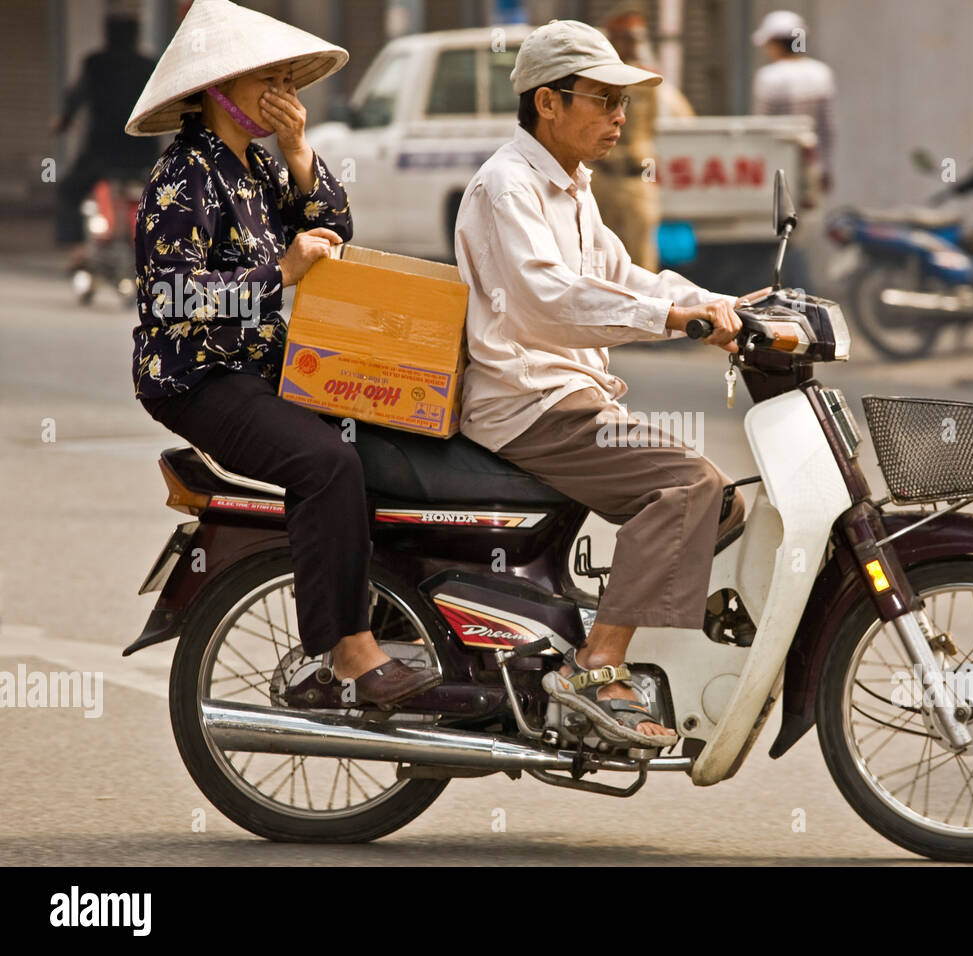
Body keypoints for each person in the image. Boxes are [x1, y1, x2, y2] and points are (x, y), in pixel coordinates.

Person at [453, 20, 755, 748]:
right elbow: (547, 299)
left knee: (726, 507)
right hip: (529, 401)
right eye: (603, 99)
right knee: (689, 487)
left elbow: (623, 277)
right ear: (547, 103)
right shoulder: (507, 185)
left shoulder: (572, 185)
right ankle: (597, 664)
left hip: (571, 393)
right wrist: (670, 317)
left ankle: (622, 631)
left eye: (623, 101)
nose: (620, 116)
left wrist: (722, 304)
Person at [126, 0, 436, 708]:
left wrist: (300, 154)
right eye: (267, 80)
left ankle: (399, 628)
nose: (284, 97)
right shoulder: (183, 177)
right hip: (198, 378)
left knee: (389, 447)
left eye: (289, 83)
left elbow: (333, 230)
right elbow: (171, 299)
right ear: (216, 90)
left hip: (267, 367)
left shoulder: (261, 168)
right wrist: (279, 275)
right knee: (324, 464)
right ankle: (344, 653)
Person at [589, 6, 695, 271]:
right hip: (601, 174)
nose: (633, 43)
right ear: (612, 40)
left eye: (637, 37)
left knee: (642, 262)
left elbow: (677, 116)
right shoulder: (594, 78)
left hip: (637, 177)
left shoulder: (648, 78)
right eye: (626, 37)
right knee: (597, 258)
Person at [51, 14, 159, 269]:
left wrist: (63, 122)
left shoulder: (95, 64)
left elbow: (75, 98)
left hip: (101, 152)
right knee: (163, 197)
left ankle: (78, 251)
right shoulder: (148, 66)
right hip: (143, 153)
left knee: (69, 190)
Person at [751, 9, 835, 200]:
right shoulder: (821, 73)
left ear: (777, 43)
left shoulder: (768, 76)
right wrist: (826, 166)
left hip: (775, 162)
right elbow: (826, 127)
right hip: (812, 162)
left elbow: (761, 126)